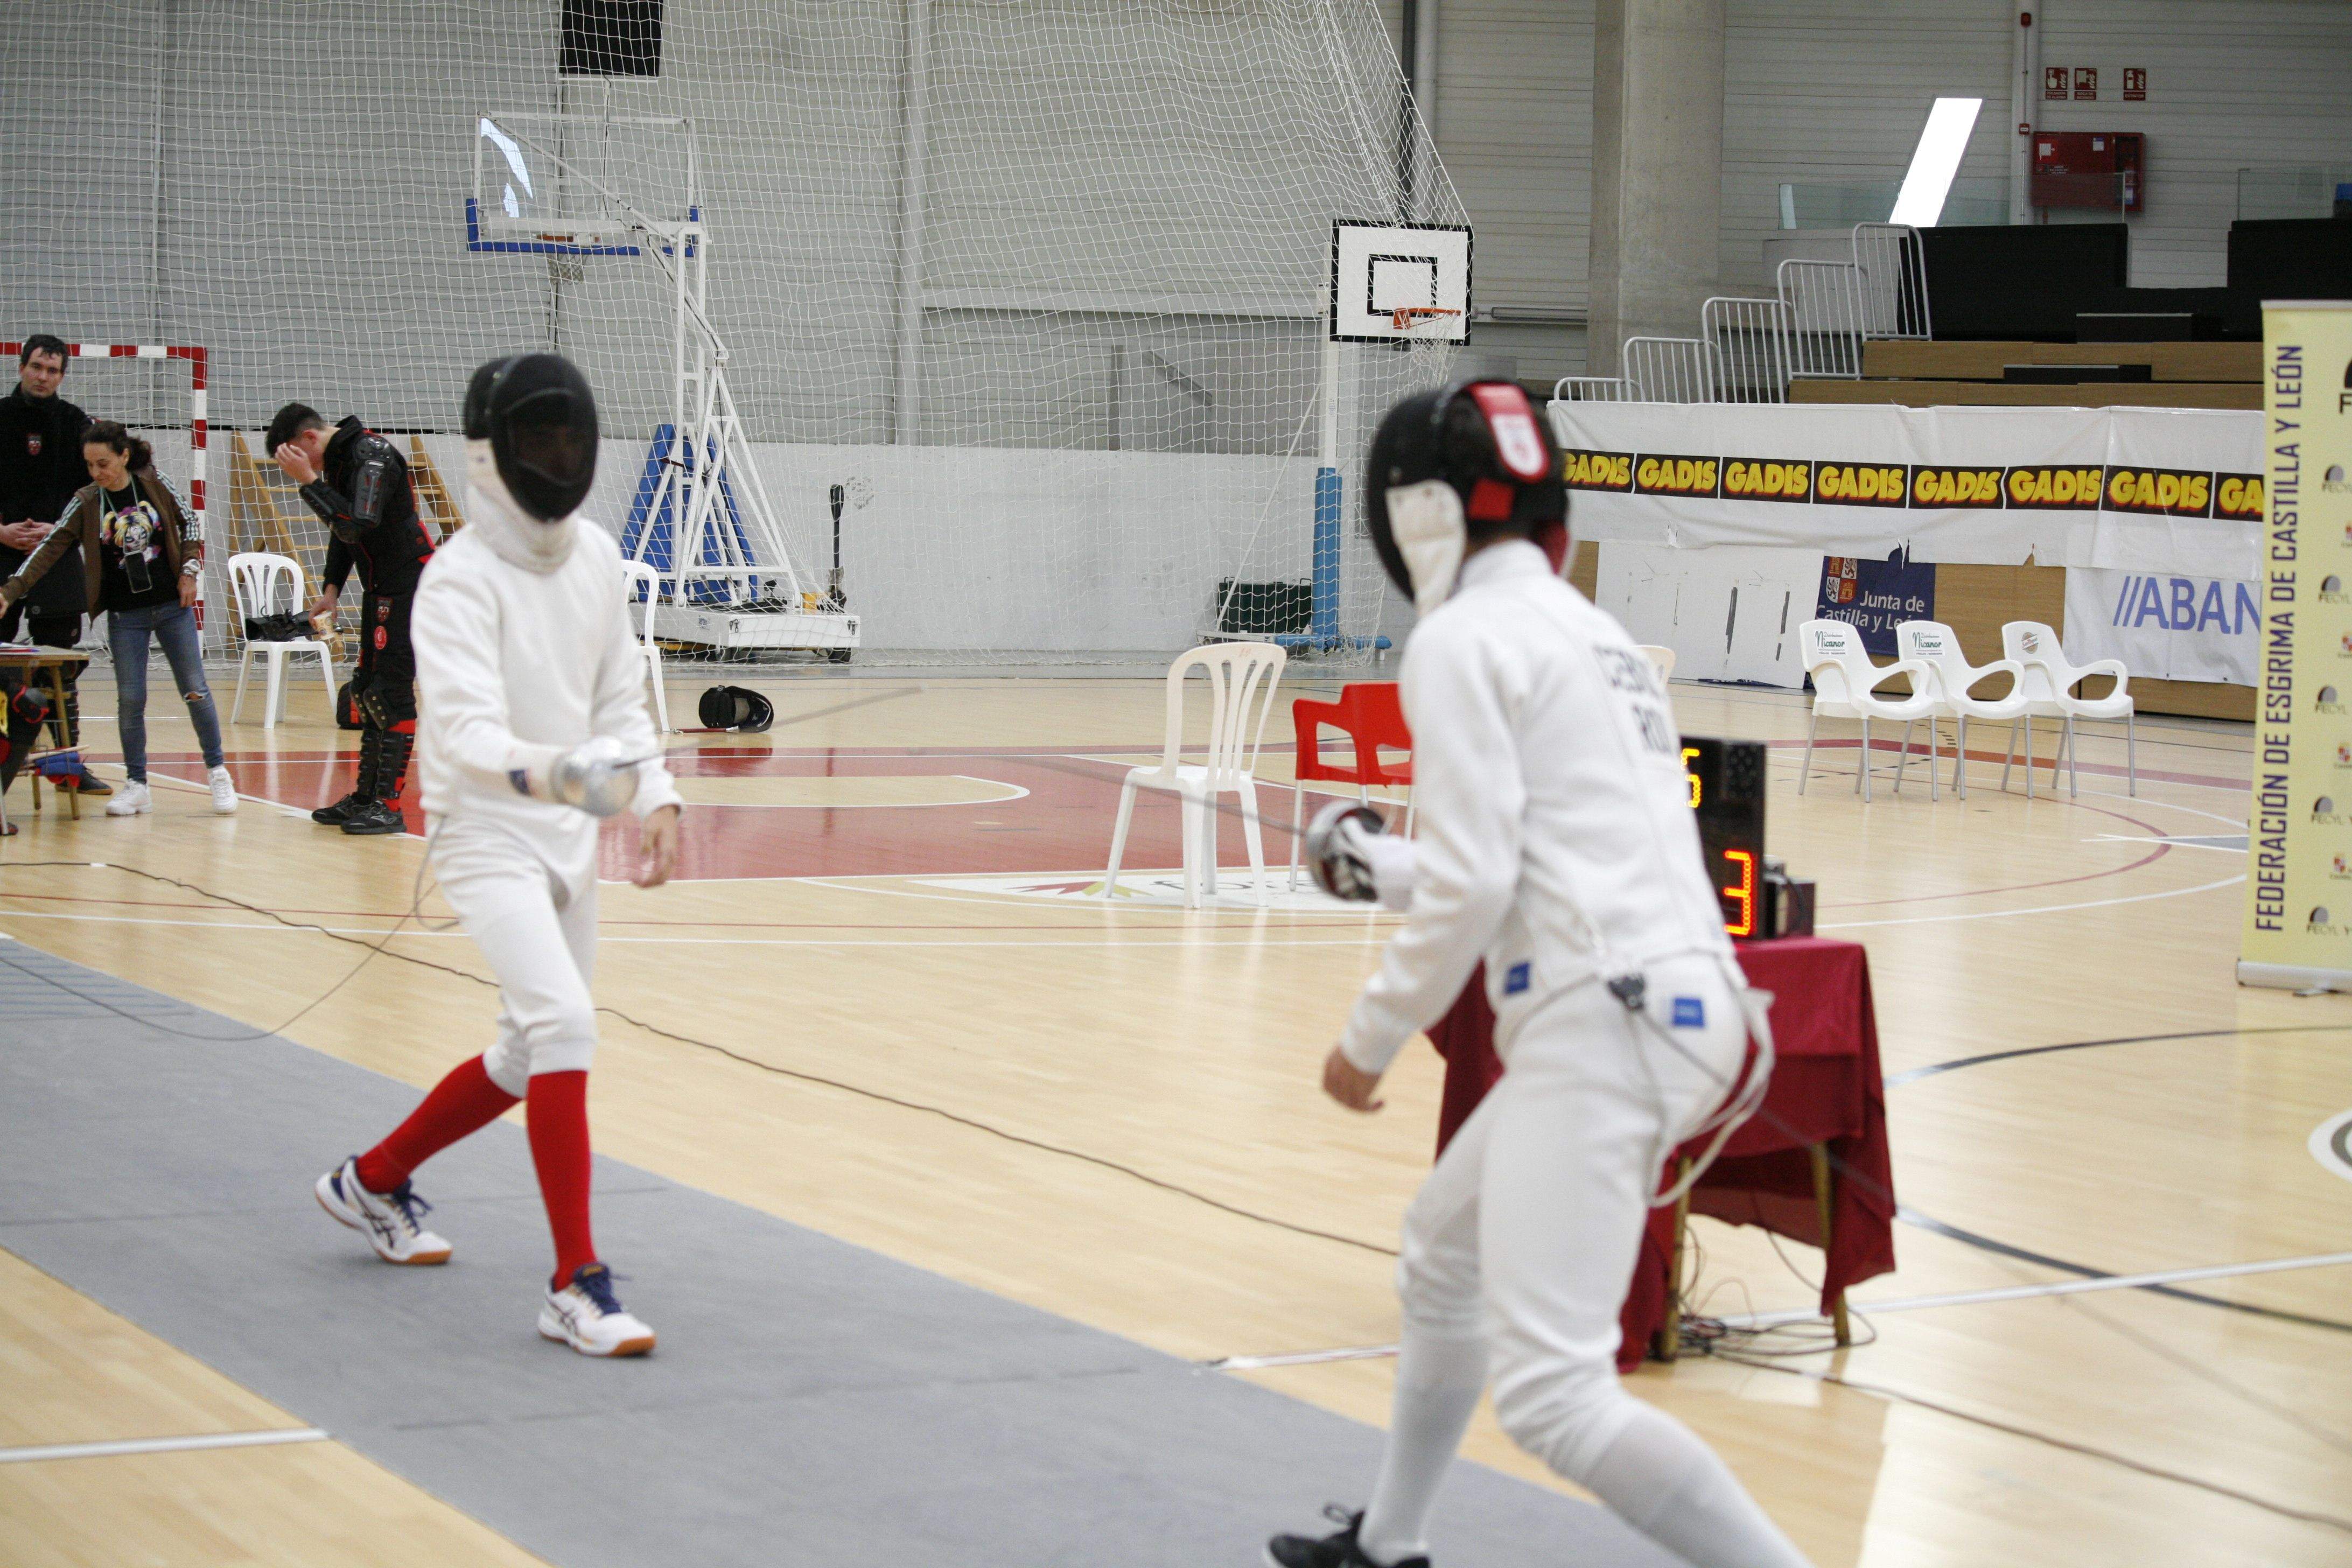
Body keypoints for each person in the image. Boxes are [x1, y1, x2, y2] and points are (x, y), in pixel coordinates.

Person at [1267, 381, 1809, 1568]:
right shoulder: (1591, 630)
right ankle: (1392, 1541)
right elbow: (1524, 855)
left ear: (1411, 516)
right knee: (1443, 1250)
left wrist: (1367, 1040)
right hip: (1676, 1002)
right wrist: (1380, 864)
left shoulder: (1461, 638)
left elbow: (1475, 884)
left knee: (1556, 1400)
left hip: (1606, 1021)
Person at [314, 351, 682, 1358]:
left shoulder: (598, 558)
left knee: (528, 1051)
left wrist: (655, 790)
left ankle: (372, 1179)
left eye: (571, 438)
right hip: (483, 837)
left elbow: (617, 700)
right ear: (493, 453)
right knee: (565, 1025)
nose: (558, 456)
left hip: (566, 838)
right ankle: (575, 1282)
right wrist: (576, 777)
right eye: (539, 439)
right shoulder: (457, 579)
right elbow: (470, 741)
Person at [0, 421, 236, 817]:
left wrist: (190, 571)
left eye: (104, 463)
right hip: (126, 616)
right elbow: (52, 544)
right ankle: (137, 783)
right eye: (90, 465)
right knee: (131, 699)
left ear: (124, 456)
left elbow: (190, 523)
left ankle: (218, 771)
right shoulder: (87, 501)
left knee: (195, 689)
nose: (97, 472)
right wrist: (10, 589)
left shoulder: (153, 482)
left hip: (172, 607)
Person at [266, 400, 436, 835]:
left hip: (413, 585)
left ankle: (389, 804)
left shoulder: (370, 455)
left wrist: (306, 483)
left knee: (391, 690)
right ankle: (366, 795)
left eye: (296, 457)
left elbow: (356, 523)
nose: (302, 469)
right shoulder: (340, 461)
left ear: (308, 439)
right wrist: (331, 587)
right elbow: (342, 533)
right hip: (382, 587)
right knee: (366, 689)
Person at [0, 335, 107, 795]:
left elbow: (99, 490)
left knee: (61, 664)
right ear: (21, 366)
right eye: (37, 367)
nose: (44, 377)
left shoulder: (77, 425)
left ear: (62, 376)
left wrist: (58, 530)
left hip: (56, 551)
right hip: (2, 548)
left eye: (53, 371)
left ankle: (66, 763)